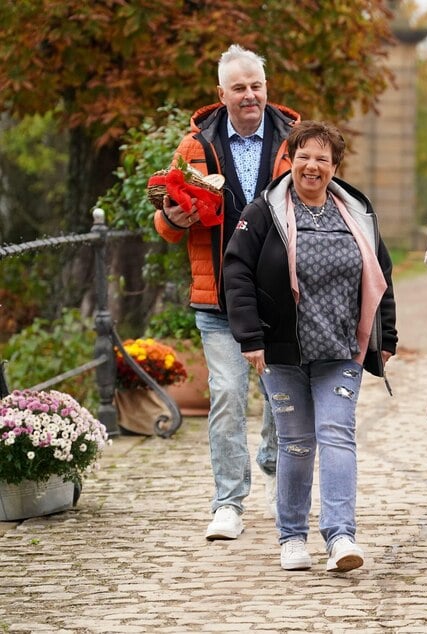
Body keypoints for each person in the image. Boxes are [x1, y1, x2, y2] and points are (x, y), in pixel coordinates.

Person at [223, 120, 397, 572]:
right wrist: (250, 336)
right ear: (290, 161)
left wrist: (388, 336)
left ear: (335, 167)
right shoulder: (264, 212)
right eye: (304, 156)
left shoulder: (356, 211)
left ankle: (341, 537)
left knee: (337, 435)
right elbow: (237, 272)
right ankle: (292, 537)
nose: (312, 166)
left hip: (341, 347)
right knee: (296, 443)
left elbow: (381, 272)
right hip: (282, 349)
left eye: (323, 158)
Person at [154, 44, 299, 540]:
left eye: (256, 85)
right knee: (228, 396)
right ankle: (229, 502)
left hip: (280, 297)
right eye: (239, 88)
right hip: (216, 297)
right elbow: (166, 224)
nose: (250, 95)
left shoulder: (293, 139)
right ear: (222, 94)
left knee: (282, 400)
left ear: (266, 87)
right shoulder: (194, 145)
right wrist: (174, 216)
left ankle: (276, 466)